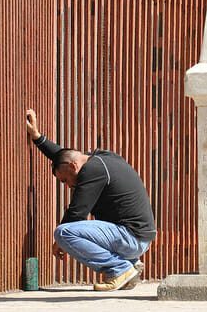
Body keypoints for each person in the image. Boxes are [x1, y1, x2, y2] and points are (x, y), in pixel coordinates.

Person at [25, 109, 156, 291]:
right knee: (68, 230)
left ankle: (120, 268)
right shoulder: (102, 158)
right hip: (140, 238)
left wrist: (59, 242)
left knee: (64, 232)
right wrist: (38, 137)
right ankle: (129, 264)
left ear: (73, 167)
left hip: (130, 238)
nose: (68, 185)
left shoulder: (92, 171)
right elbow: (64, 156)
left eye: (65, 180)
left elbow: (77, 211)